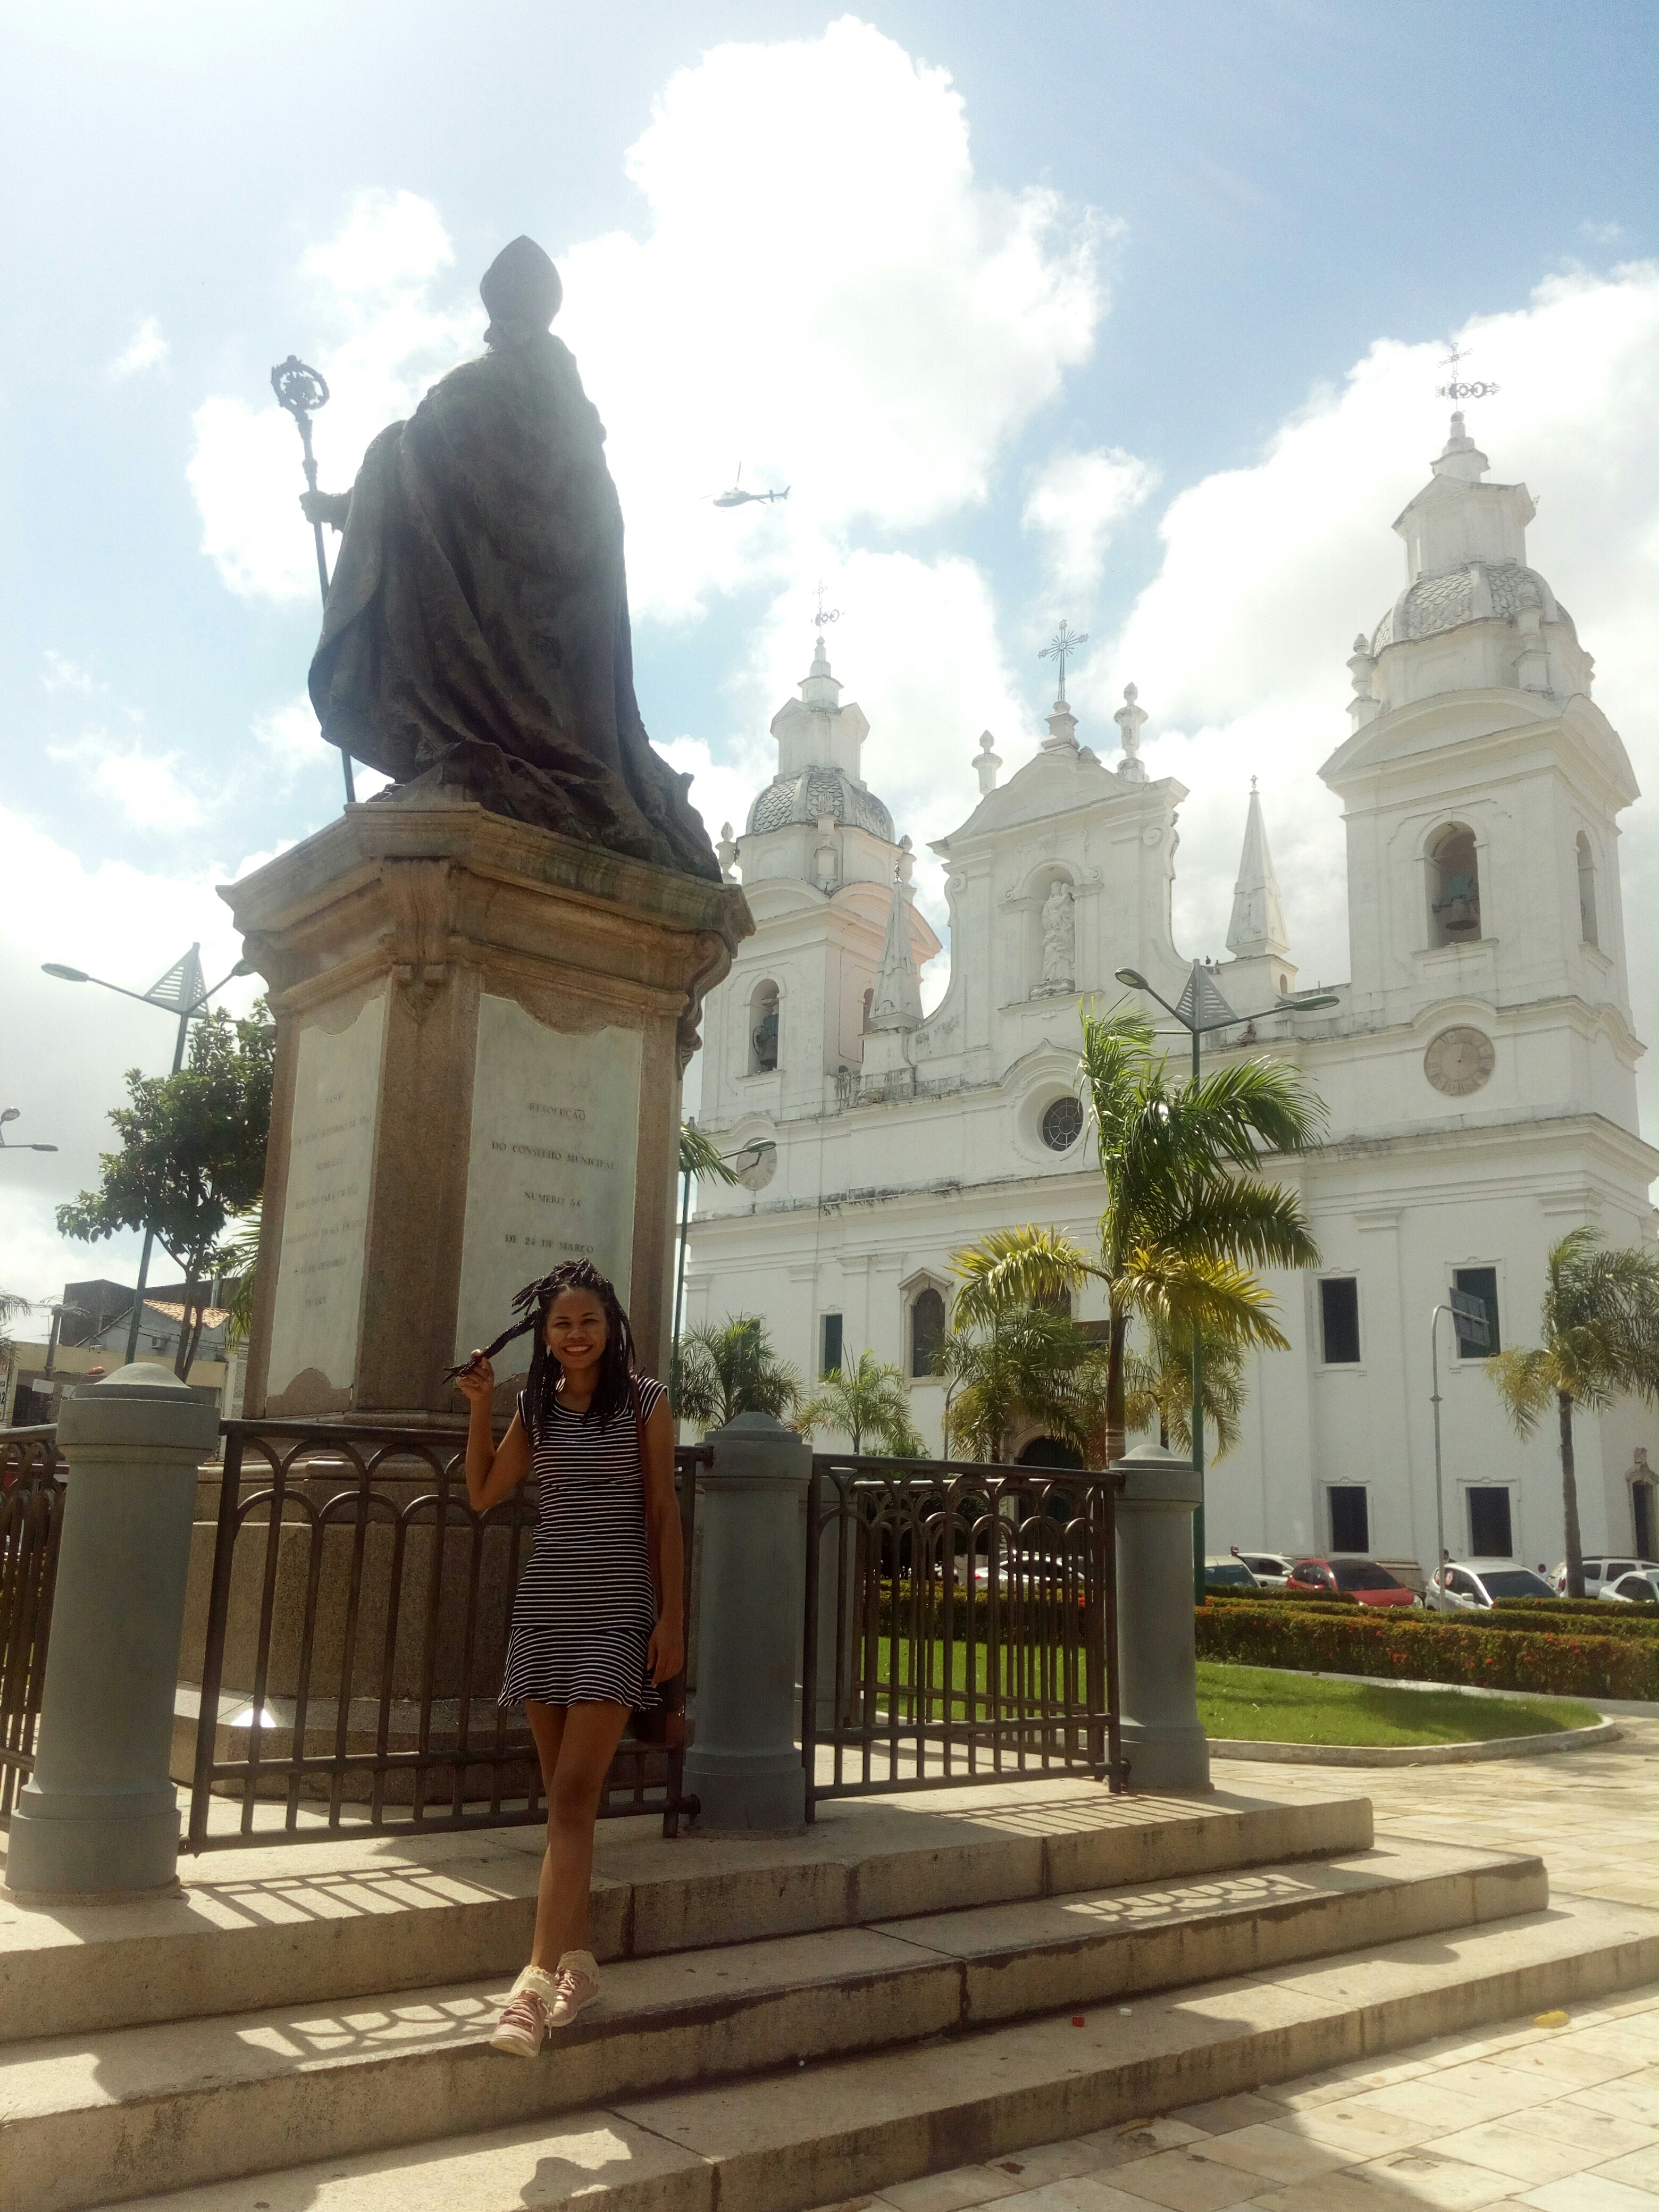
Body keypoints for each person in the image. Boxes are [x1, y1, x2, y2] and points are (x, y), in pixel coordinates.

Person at [455, 1258, 684, 2058]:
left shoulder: (648, 1403)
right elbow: (483, 1491)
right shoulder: (538, 1409)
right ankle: (579, 1967)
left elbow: (662, 1513)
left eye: (587, 1322)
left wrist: (673, 1620)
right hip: (546, 1607)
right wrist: (482, 1409)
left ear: (610, 1326)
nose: (575, 1335)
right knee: (563, 1801)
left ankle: (531, 1986)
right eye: (561, 1325)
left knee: (578, 1792)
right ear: (545, 1336)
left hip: (618, 1614)